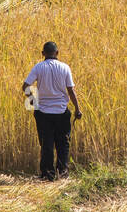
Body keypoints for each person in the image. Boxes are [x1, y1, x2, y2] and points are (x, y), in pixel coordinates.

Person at [22, 41, 83, 180]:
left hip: (43, 112)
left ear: (43, 53)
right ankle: (62, 174)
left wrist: (34, 103)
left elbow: (25, 86)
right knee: (63, 144)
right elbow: (71, 90)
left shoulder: (38, 67)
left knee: (46, 144)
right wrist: (78, 109)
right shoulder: (65, 67)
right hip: (62, 112)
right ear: (57, 53)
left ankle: (47, 175)